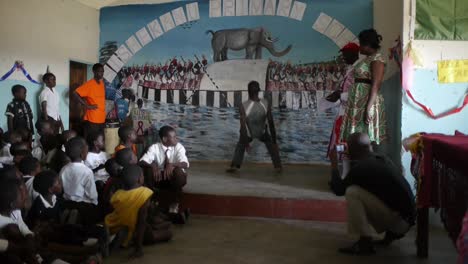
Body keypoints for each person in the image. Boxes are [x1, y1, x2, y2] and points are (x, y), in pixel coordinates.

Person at [330, 133, 415, 256]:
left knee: (352, 192)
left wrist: (334, 165)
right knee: (373, 191)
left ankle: (364, 244)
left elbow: (338, 190)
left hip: (399, 223)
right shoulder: (381, 159)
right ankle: (389, 236)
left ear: (354, 150)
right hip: (406, 221)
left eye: (348, 147)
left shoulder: (361, 168)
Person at [105, 165, 172, 258]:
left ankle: (119, 235)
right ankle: (130, 239)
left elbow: (113, 210)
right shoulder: (144, 193)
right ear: (140, 179)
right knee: (167, 234)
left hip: (112, 225)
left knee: (153, 224)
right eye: (143, 176)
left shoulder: (118, 194)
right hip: (134, 229)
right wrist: (138, 248)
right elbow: (141, 222)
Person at [340, 29, 387, 146]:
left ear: (367, 44)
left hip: (367, 102)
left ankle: (365, 161)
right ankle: (359, 160)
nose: (359, 47)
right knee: (357, 138)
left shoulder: (377, 59)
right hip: (359, 101)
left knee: (364, 136)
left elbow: (376, 85)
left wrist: (368, 108)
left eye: (361, 44)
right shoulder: (368, 59)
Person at [227, 81, 282, 172]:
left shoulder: (243, 106)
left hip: (249, 134)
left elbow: (243, 128)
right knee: (271, 145)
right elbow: (271, 123)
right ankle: (278, 166)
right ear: (259, 91)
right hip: (262, 132)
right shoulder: (265, 103)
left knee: (240, 144)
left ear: (248, 92)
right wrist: (275, 142)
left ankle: (234, 166)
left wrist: (246, 144)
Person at [139, 126, 189, 224]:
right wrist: (153, 165)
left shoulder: (178, 147)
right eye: (173, 137)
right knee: (148, 170)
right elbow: (142, 161)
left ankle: (174, 204)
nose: (176, 138)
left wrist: (172, 164)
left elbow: (185, 164)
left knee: (178, 171)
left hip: (174, 179)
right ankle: (153, 201)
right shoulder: (154, 147)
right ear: (165, 139)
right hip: (159, 178)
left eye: (176, 136)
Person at [326, 42, 360, 163]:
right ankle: (342, 174)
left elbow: (358, 94)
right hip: (343, 113)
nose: (343, 57)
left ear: (355, 54)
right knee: (340, 146)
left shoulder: (358, 70)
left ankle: (343, 176)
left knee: (342, 146)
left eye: (346, 54)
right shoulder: (350, 70)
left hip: (349, 115)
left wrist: (340, 95)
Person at [59, 137, 98, 226]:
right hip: (83, 205)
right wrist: (95, 204)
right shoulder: (87, 171)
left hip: (67, 203)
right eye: (86, 152)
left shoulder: (64, 169)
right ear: (82, 154)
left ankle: (69, 218)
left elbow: (61, 188)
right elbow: (92, 194)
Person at [73, 63, 106, 138]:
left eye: (102, 71)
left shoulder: (101, 83)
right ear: (94, 71)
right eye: (99, 71)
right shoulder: (89, 84)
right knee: (91, 142)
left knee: (100, 142)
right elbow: (75, 93)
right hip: (92, 120)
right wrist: (87, 106)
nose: (101, 74)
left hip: (101, 119)